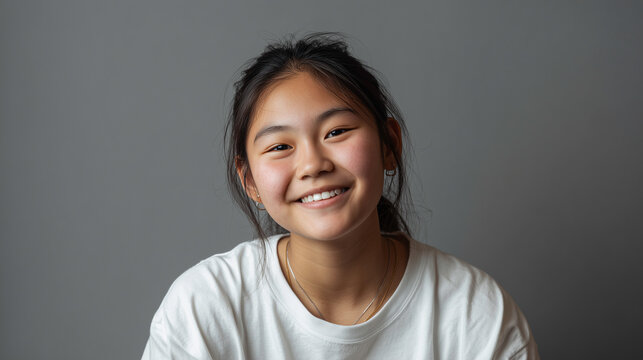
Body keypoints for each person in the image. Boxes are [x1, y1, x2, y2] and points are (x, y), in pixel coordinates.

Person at [142, 33, 540, 359]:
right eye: (280, 146)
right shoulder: (204, 309)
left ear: (389, 144)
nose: (313, 164)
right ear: (249, 182)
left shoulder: (477, 315)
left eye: (336, 132)